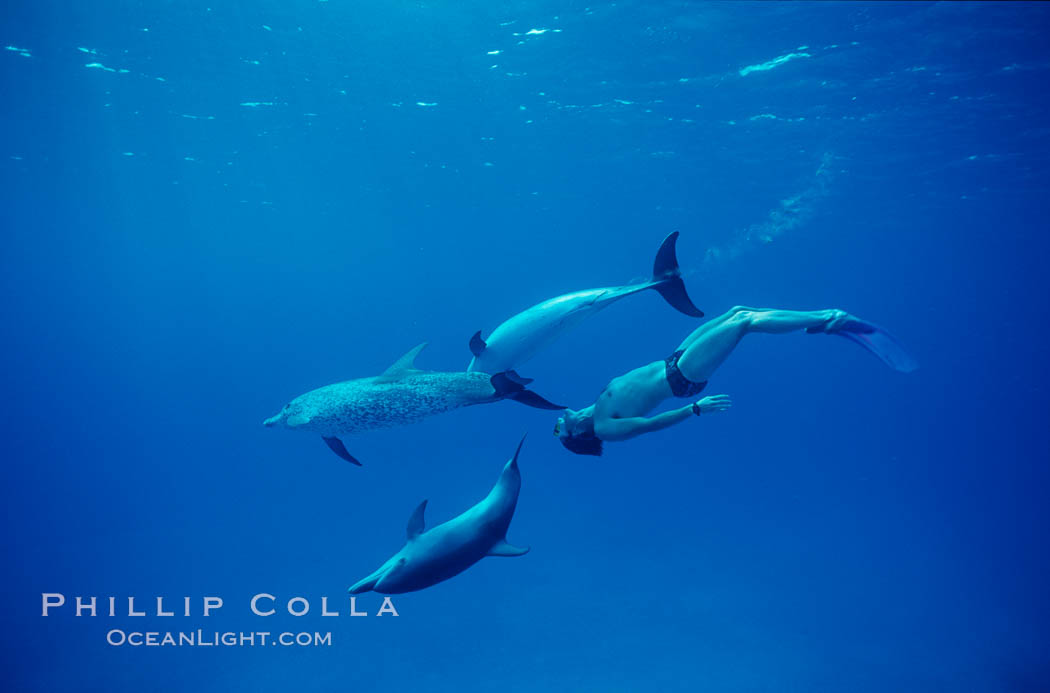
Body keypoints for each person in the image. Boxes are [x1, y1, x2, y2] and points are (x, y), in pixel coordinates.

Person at [554, 306, 915, 455]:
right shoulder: (603, 428)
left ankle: (822, 321)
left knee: (737, 310)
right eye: (559, 429)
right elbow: (650, 424)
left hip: (674, 359)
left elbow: (564, 410)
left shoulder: (590, 412)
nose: (558, 423)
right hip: (683, 378)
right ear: (576, 435)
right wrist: (694, 410)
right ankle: (830, 318)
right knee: (744, 324)